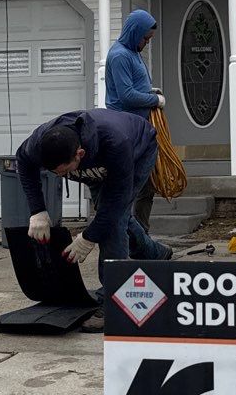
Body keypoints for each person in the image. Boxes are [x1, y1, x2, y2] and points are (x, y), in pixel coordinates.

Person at [14, 107, 172, 281]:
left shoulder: (115, 142)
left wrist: (88, 238)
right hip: (97, 164)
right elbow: (23, 161)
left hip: (137, 152)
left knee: (114, 220)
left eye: (63, 171)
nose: (59, 176)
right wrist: (38, 211)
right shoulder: (40, 141)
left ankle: (112, 293)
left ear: (79, 154)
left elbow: (115, 204)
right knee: (109, 217)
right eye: (54, 172)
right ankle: (155, 253)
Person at [103, 8, 165, 231]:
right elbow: (126, 96)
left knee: (146, 188)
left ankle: (141, 236)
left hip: (140, 129)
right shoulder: (119, 55)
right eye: (145, 38)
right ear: (134, 32)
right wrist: (154, 100)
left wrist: (150, 91)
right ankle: (128, 236)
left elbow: (135, 86)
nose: (147, 43)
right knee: (132, 186)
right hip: (126, 131)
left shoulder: (133, 53)